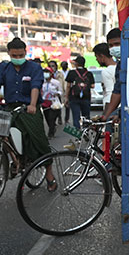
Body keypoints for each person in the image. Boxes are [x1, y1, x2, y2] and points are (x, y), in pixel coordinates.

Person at [0, 38, 54, 188]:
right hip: (10, 108)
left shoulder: (34, 68)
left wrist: (32, 104)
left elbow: (35, 86)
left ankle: (49, 173)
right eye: (14, 56)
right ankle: (14, 160)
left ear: (25, 52)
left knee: (38, 139)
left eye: (20, 55)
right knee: (4, 135)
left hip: (29, 109)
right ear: (9, 54)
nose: (18, 58)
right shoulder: (4, 68)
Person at [64, 55, 94, 127]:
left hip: (74, 98)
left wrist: (66, 98)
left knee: (76, 117)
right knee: (86, 117)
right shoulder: (89, 73)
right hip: (86, 97)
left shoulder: (72, 73)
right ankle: (86, 132)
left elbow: (68, 86)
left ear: (76, 63)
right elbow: (93, 86)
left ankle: (78, 135)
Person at [40, 66, 63, 138]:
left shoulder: (56, 82)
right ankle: (52, 127)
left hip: (53, 102)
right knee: (47, 118)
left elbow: (61, 91)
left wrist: (57, 93)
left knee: (51, 118)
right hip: (44, 102)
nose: (45, 74)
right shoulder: (42, 82)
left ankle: (51, 133)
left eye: (47, 72)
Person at [92, 43, 116, 109]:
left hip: (112, 109)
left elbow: (109, 93)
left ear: (102, 57)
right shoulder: (119, 67)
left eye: (96, 57)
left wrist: (106, 113)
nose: (96, 60)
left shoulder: (106, 71)